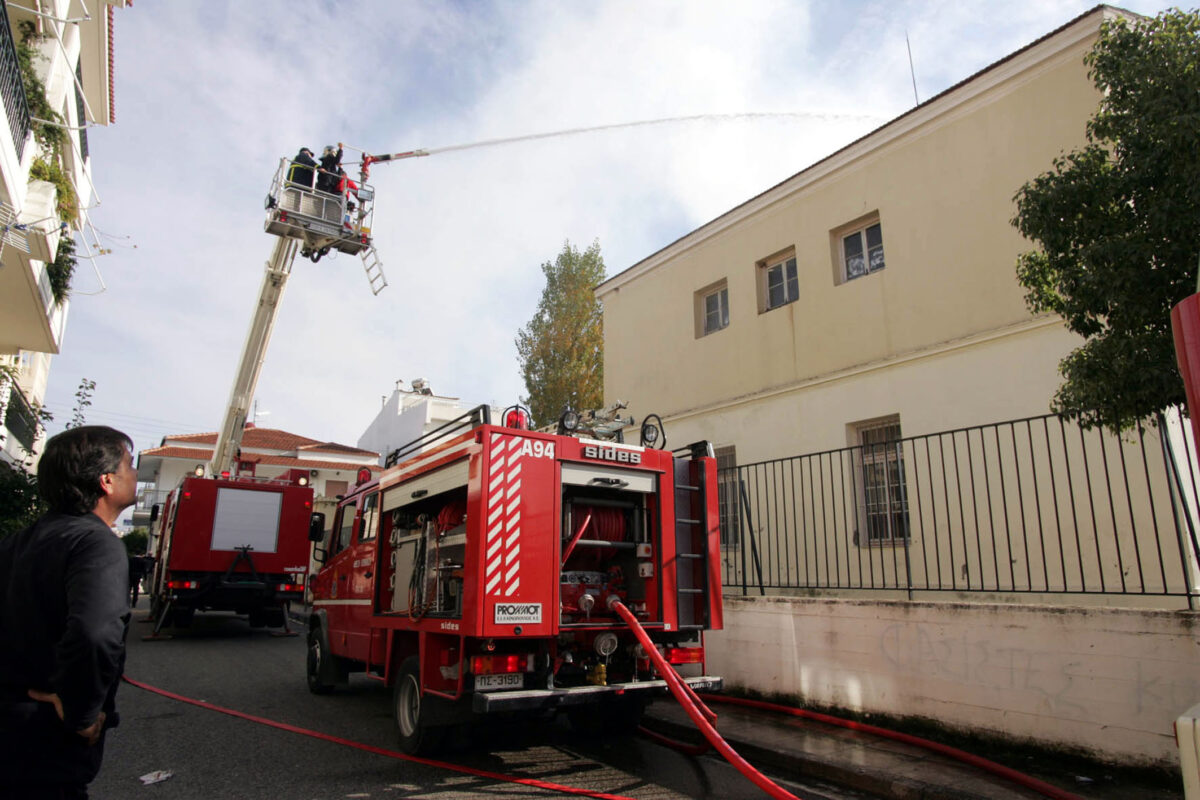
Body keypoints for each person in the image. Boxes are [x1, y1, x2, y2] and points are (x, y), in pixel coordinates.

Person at [0, 426, 136, 799]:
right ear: (107, 481)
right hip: (47, 747)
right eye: (130, 465)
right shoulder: (96, 544)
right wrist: (81, 713)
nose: (135, 473)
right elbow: (94, 633)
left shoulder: (17, 543)